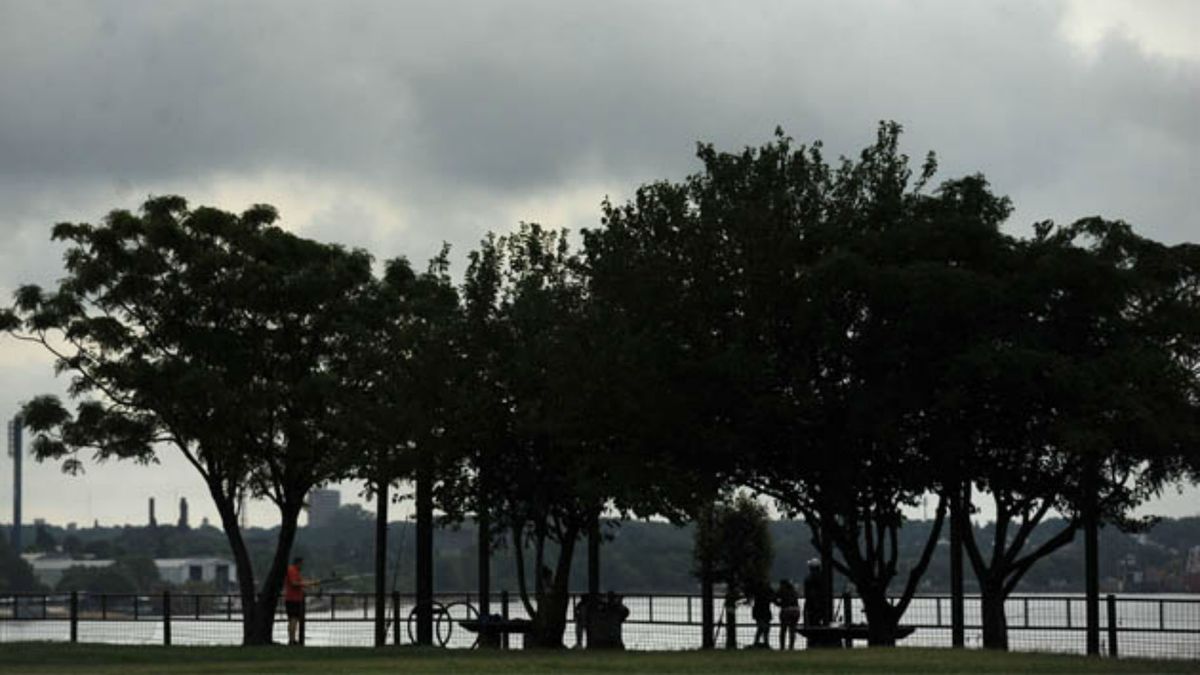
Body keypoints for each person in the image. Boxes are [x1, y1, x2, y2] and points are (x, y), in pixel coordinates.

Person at [284, 556, 319, 646]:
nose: (302, 566)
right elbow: (294, 583)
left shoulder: (295, 571)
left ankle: (292, 639)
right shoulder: (292, 570)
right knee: (293, 619)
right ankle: (292, 641)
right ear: (298, 563)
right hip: (293, 599)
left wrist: (310, 583)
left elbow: (300, 582)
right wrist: (308, 584)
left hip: (293, 599)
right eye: (301, 564)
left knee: (292, 620)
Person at [775, 578, 801, 650]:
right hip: (796, 610)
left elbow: (775, 597)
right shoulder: (793, 591)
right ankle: (791, 647)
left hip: (786, 611)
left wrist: (778, 604)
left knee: (783, 629)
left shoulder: (782, 590)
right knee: (792, 630)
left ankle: (782, 647)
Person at [751, 584, 773, 648]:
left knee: (761, 628)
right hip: (764, 611)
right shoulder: (767, 592)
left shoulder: (758, 592)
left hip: (760, 612)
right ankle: (764, 642)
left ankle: (758, 642)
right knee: (764, 628)